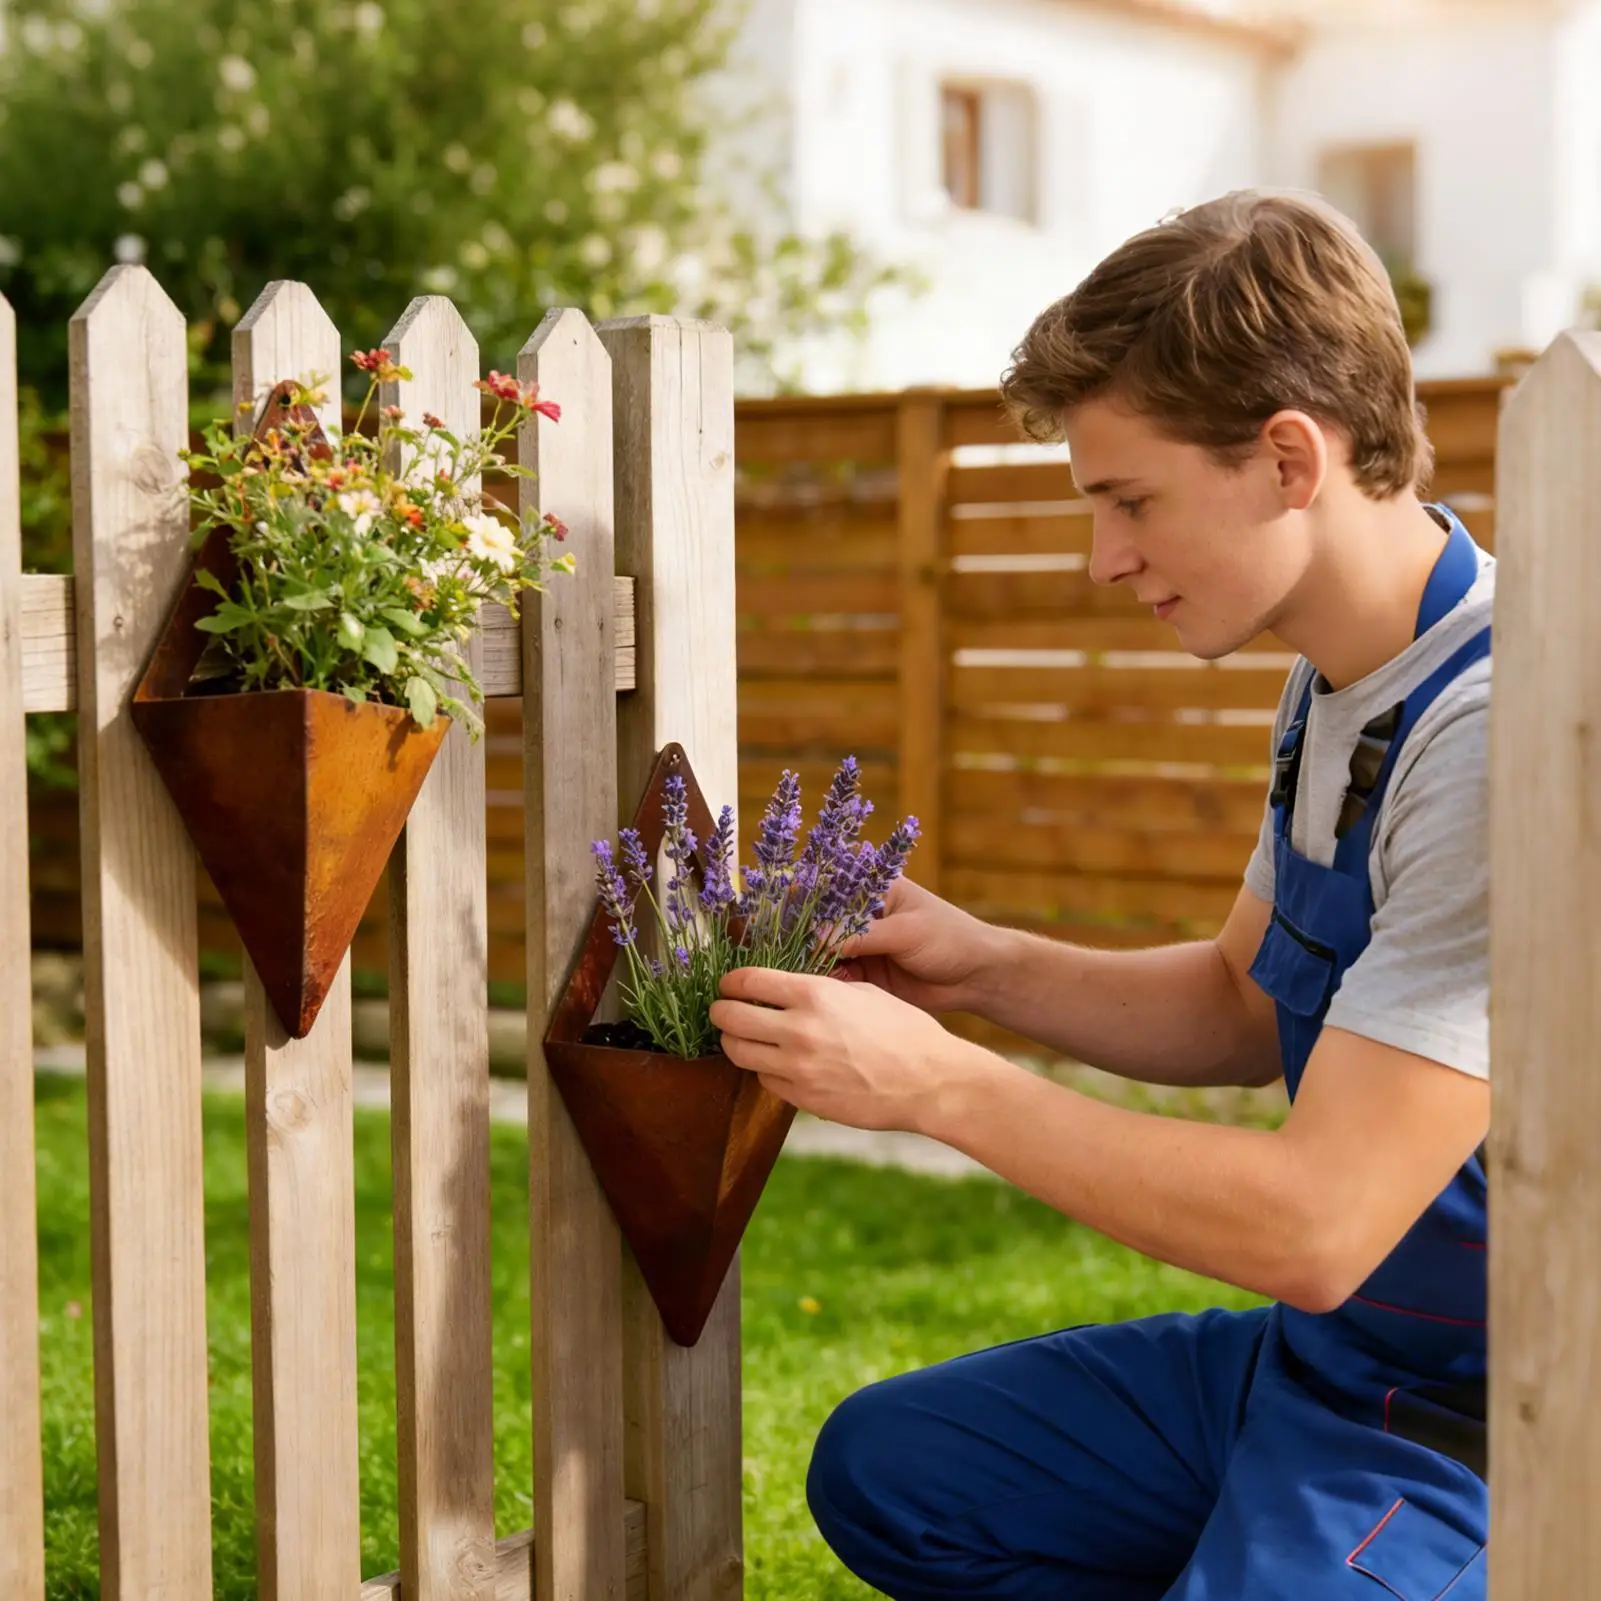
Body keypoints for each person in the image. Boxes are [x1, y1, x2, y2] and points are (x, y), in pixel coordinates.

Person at [709, 190, 1493, 1599]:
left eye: (1129, 500)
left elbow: (1316, 1229)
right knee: (897, 1476)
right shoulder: (1337, 684)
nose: (1103, 559)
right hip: (1318, 1372)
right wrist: (981, 965)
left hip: (1474, 1430)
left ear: (1288, 459)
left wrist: (940, 1088)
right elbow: (1242, 1004)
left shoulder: (1491, 739)